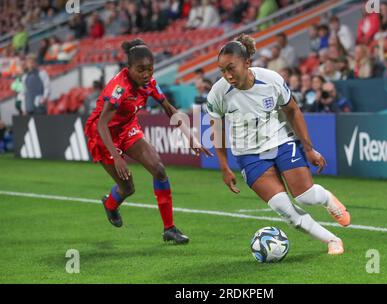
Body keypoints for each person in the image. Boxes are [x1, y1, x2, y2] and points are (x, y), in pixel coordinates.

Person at [206, 35, 350, 255]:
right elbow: (217, 131)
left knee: (306, 196)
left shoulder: (271, 80)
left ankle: (328, 200)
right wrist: (224, 167)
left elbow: (292, 110)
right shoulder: (218, 93)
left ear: (247, 63)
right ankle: (332, 240)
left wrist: (309, 148)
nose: (227, 75)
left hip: (280, 142)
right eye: (222, 70)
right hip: (249, 156)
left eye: (231, 68)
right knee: (287, 212)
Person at [84, 39, 212, 244]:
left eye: (150, 69)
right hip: (103, 134)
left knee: (159, 169)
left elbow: (169, 108)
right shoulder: (119, 88)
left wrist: (190, 136)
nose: (146, 74)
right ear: (129, 69)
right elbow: (101, 124)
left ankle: (169, 229)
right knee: (128, 188)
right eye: (140, 70)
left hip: (126, 128)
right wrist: (117, 157)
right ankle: (110, 204)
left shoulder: (149, 83)